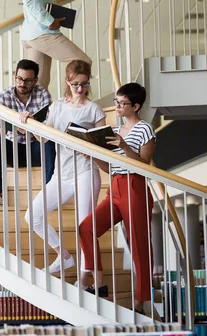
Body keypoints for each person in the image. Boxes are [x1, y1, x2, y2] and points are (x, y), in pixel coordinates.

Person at [22, 60, 106, 276]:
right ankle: (64, 256)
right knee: (33, 215)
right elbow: (44, 137)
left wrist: (94, 147)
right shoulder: (57, 106)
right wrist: (29, 124)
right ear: (68, 82)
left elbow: (105, 142)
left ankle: (87, 278)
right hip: (62, 173)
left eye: (84, 84)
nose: (80, 89)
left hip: (86, 170)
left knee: (84, 226)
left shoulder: (94, 109)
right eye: (76, 84)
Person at [78, 82, 155, 315]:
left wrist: (125, 147)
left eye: (123, 103)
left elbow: (144, 165)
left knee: (139, 245)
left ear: (136, 106)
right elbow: (110, 168)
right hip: (115, 186)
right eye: (117, 102)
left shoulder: (145, 129)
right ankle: (99, 282)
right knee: (86, 227)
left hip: (135, 186)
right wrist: (93, 155)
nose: (118, 106)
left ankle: (141, 302)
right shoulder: (115, 131)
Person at [0, 59, 55, 205]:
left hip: (36, 147)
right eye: (19, 79)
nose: (22, 84)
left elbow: (48, 127)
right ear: (14, 76)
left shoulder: (43, 94)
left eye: (28, 80)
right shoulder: (4, 96)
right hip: (14, 149)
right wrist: (17, 125)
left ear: (35, 80)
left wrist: (31, 124)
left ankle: (50, 191)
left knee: (51, 142)